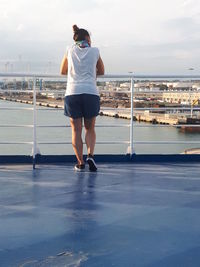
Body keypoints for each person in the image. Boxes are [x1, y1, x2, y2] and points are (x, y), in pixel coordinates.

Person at [60, 24, 105, 172]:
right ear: (87, 38)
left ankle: (80, 163)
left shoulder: (69, 50)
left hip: (73, 93)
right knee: (90, 128)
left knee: (76, 130)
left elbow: (63, 71)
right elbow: (102, 71)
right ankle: (90, 155)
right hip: (90, 92)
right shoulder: (95, 51)